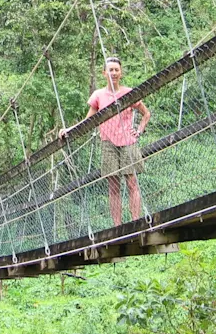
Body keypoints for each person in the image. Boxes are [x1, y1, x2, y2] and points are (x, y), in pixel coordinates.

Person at [60, 57, 151, 226]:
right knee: (114, 187)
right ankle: (118, 227)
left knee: (132, 183)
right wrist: (69, 130)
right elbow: (87, 121)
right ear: (104, 73)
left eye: (117, 70)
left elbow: (146, 114)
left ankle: (136, 223)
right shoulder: (98, 95)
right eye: (111, 70)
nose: (114, 73)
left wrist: (138, 130)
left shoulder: (129, 93)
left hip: (128, 141)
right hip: (108, 143)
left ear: (121, 73)